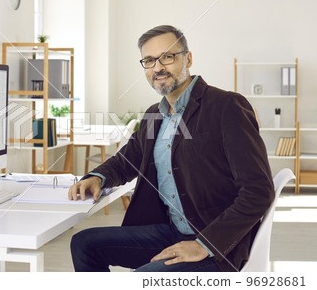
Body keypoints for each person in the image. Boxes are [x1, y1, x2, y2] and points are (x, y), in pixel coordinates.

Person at [68, 25, 274, 272]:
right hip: (172, 232)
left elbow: (258, 190)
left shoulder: (226, 106)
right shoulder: (155, 115)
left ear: (188, 58)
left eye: (167, 56)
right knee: (84, 244)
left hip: (217, 245)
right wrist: (98, 177)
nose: (158, 67)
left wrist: (204, 245)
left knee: (143, 278)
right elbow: (127, 160)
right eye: (149, 60)